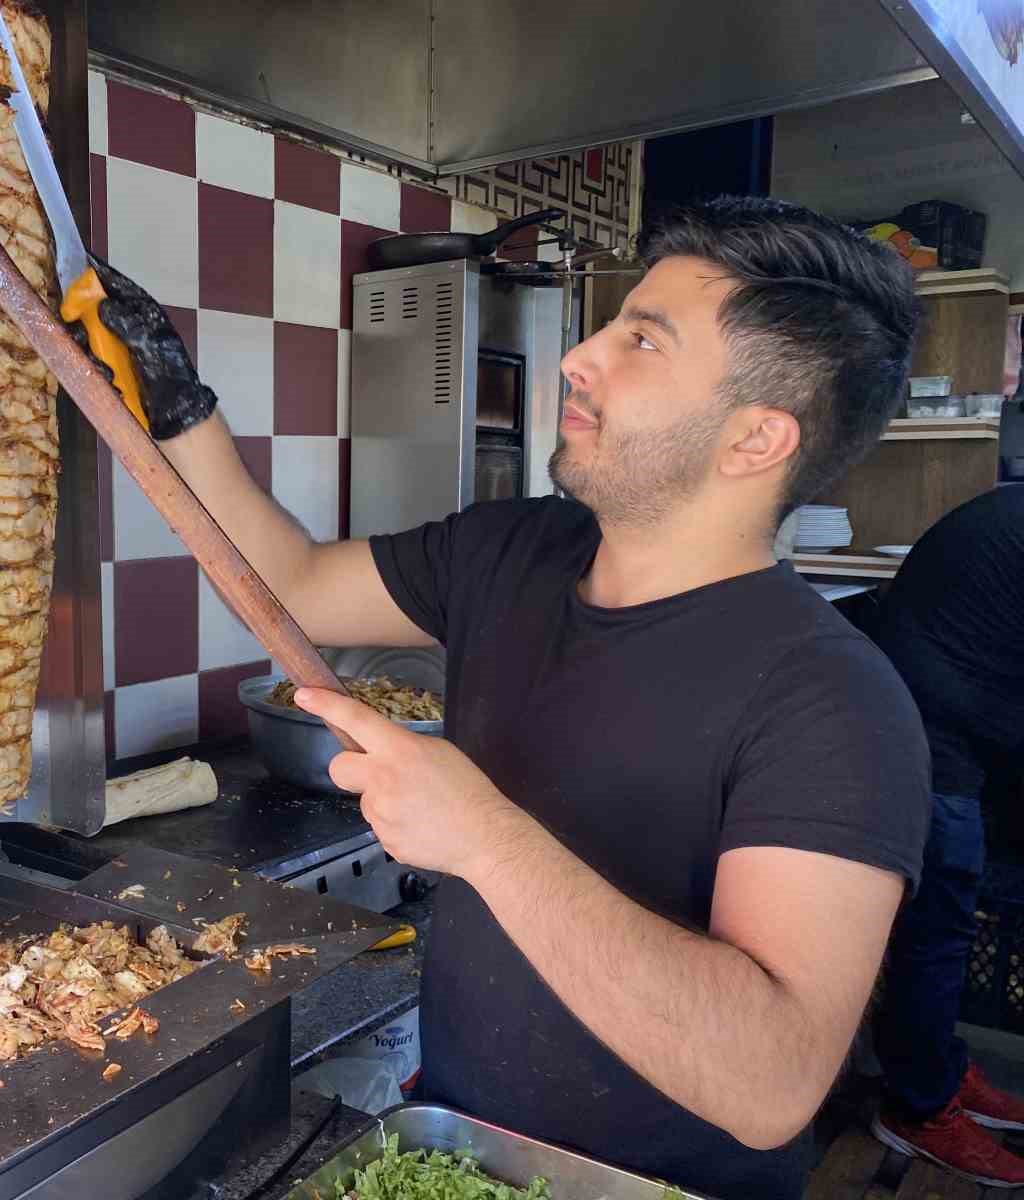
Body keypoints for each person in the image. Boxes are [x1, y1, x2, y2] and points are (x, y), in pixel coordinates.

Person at [71, 196, 932, 1199]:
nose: (581, 357)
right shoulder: (513, 552)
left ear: (753, 440)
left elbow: (769, 1079)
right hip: (453, 1154)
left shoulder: (833, 701)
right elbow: (291, 580)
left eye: (641, 342)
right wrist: (174, 396)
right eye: (612, 324)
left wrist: (481, 835)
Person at [868, 485, 1024, 1186]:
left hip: (954, 715)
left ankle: (938, 1068)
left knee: (944, 918)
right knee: (940, 918)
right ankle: (918, 1105)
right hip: (929, 731)